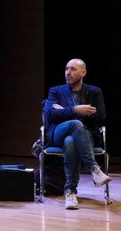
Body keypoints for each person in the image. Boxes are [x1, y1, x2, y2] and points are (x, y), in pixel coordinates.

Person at [43, 58, 112, 210]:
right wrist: (75, 110)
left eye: (73, 69)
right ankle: (94, 169)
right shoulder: (56, 91)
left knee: (71, 141)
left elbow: (100, 116)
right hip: (58, 133)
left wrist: (64, 111)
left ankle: (70, 192)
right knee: (75, 124)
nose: (68, 72)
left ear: (83, 72)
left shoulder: (94, 92)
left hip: (86, 136)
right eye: (67, 68)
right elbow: (49, 116)